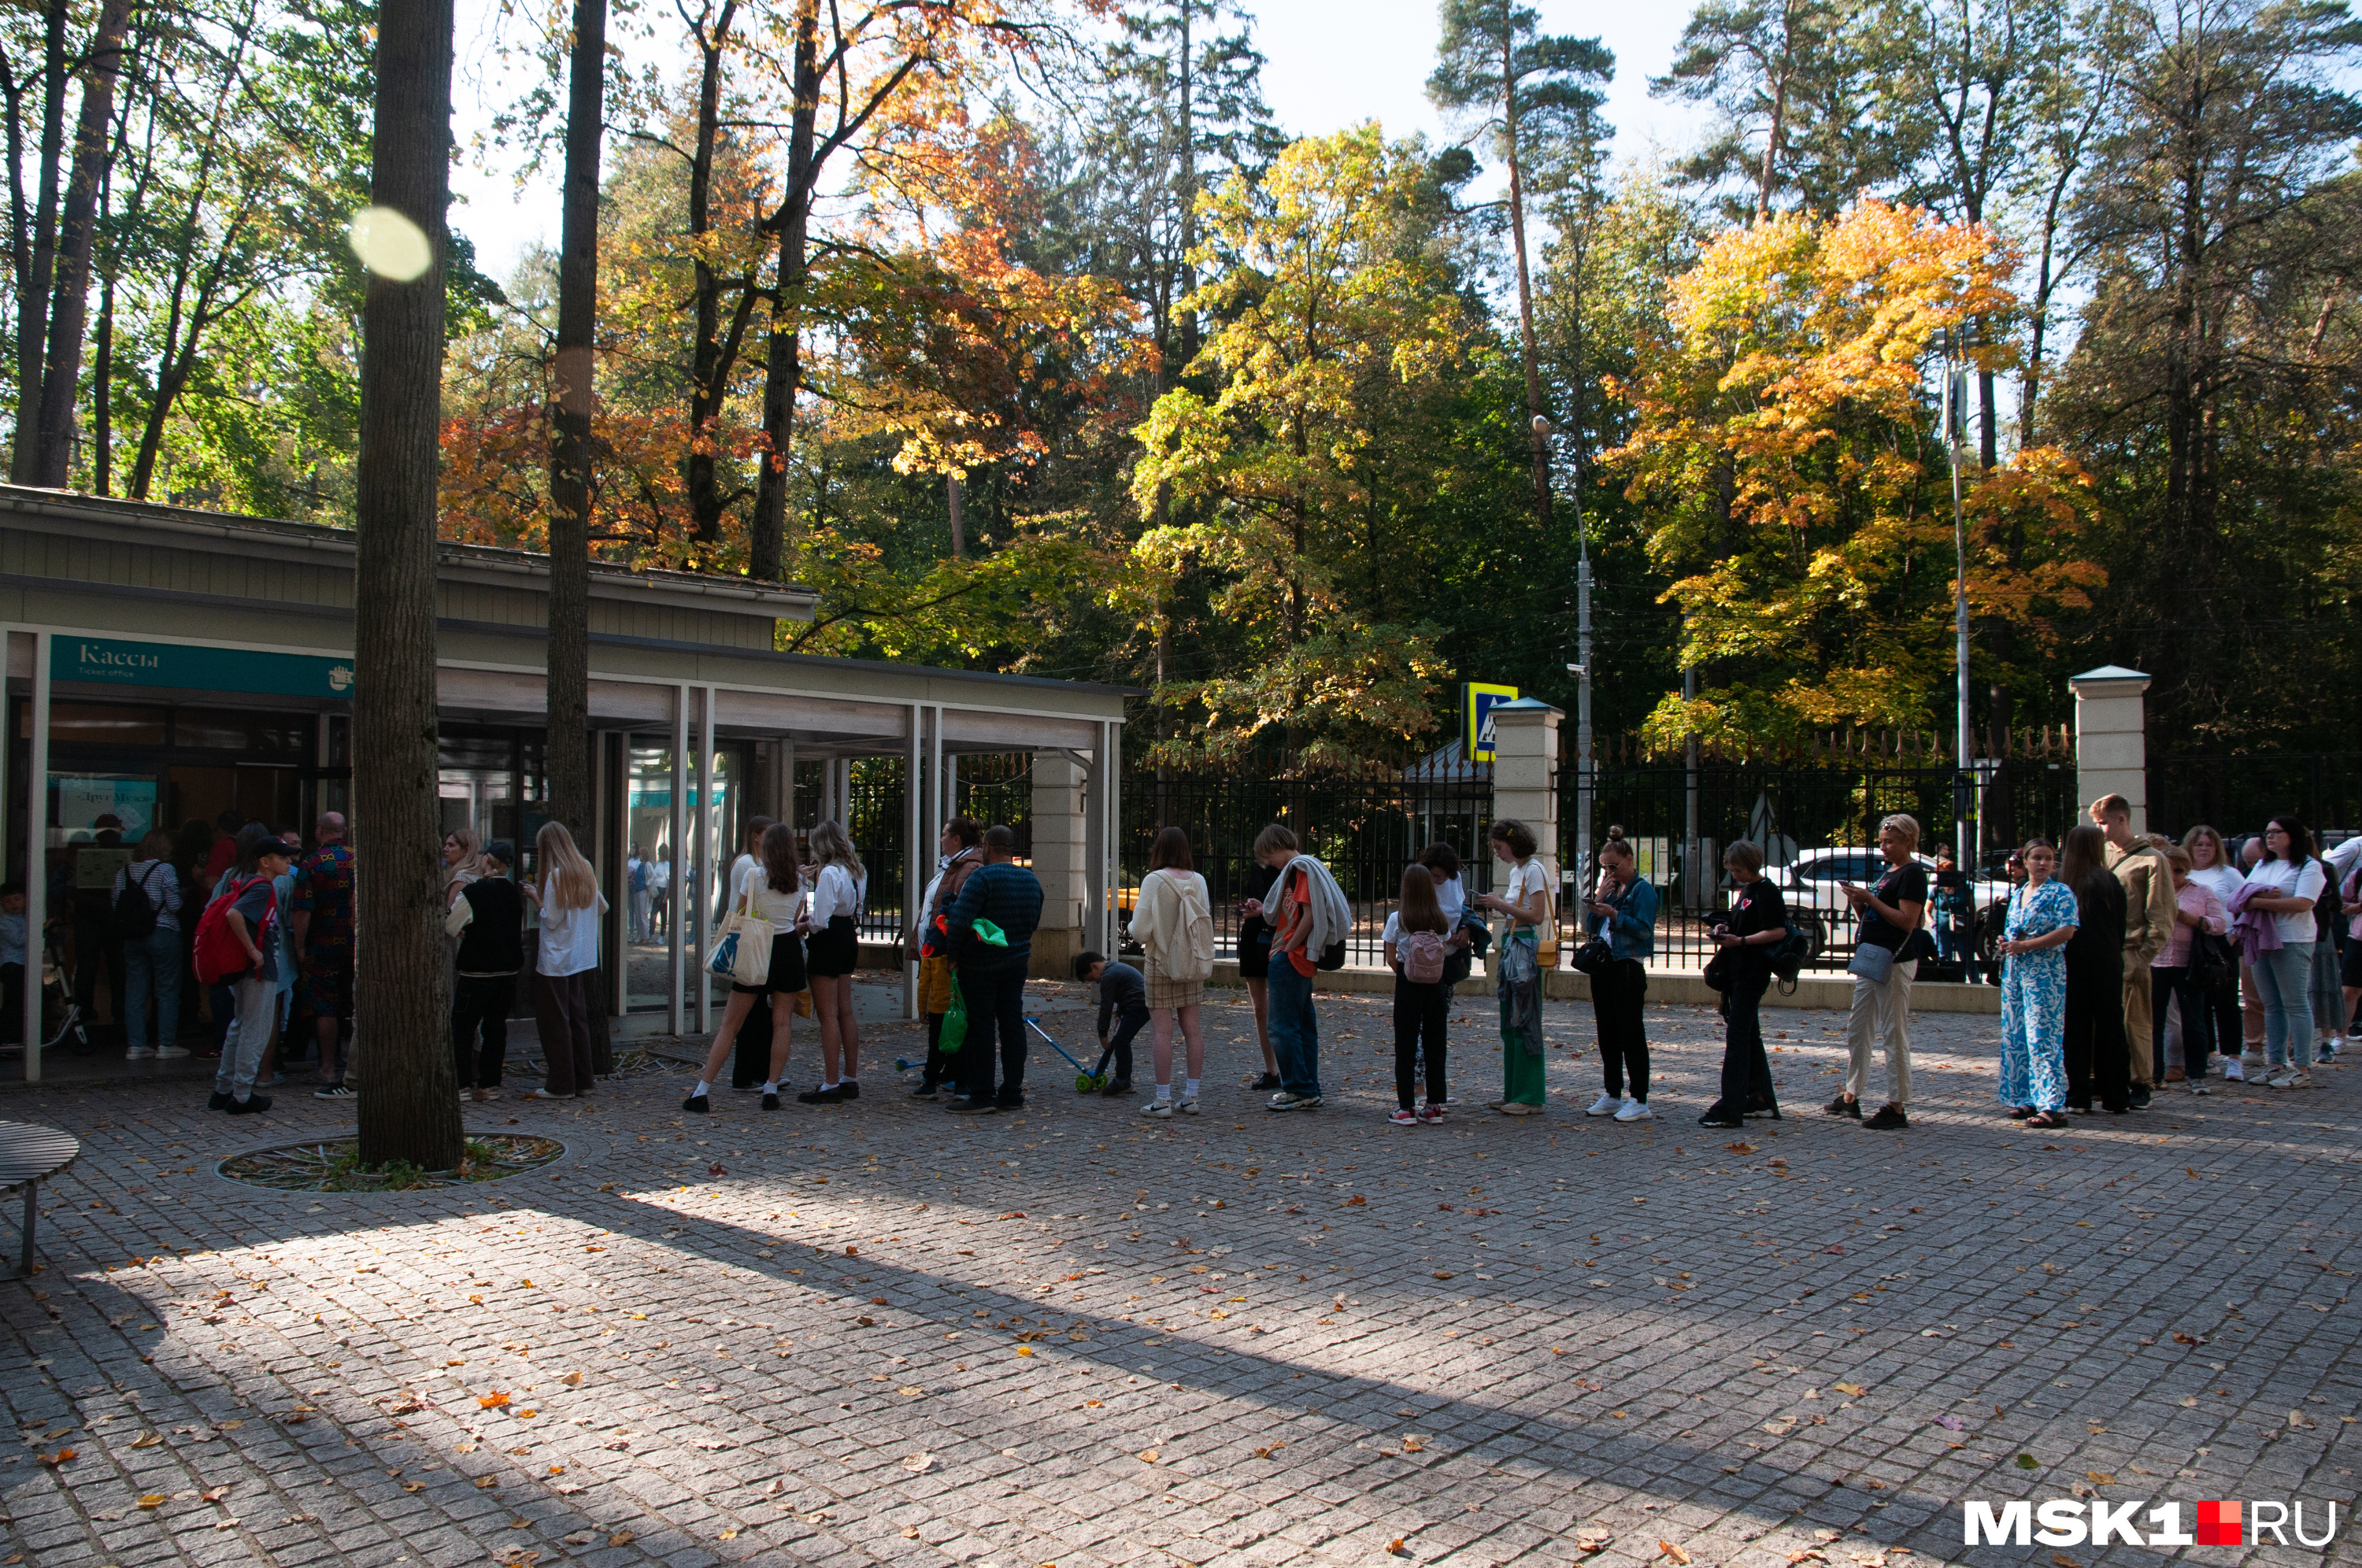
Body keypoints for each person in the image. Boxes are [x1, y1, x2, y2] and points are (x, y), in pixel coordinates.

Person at [683, 823, 807, 1114]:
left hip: (756, 948)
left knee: (730, 1023)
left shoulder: (753, 876)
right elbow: (796, 916)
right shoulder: (799, 882)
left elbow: (740, 912)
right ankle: (771, 1089)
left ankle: (702, 1091)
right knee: (782, 1024)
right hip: (787, 949)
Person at [1831, 813, 1926, 1130]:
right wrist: (1861, 901)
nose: (1883, 847)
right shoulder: (1889, 872)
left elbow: (1907, 921)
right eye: (1882, 841)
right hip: (1872, 958)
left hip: (1895, 961)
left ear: (1908, 841)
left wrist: (1870, 898)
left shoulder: (1912, 874)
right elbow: (1875, 915)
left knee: (1893, 1031)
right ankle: (1851, 1096)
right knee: (1859, 1028)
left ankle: (1897, 1106)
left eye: (1890, 842)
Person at [1246, 823, 1348, 1112]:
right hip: (1297, 958)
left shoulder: (1300, 868)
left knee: (1281, 1027)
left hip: (1291, 957)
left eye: (1269, 858)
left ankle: (1299, 1088)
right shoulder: (1305, 868)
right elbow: (1295, 911)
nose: (1270, 865)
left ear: (1274, 847)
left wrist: (1288, 948)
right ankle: (1307, 1087)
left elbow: (1311, 915)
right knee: (1302, 1026)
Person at [945, 824, 1044, 1114]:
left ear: (987, 846)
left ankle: (982, 1093)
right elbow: (1034, 920)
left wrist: (952, 956)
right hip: (1017, 962)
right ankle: (1012, 1092)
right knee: (1012, 1024)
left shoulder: (982, 877)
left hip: (980, 965)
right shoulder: (1030, 880)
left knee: (982, 1027)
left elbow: (960, 920)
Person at [2090, 794, 2175, 1108]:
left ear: (2122, 819)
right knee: (2099, 1021)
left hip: (2130, 950)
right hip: (2101, 950)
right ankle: (2101, 1077)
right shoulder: (2100, 856)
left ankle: (2140, 1082)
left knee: (2134, 1021)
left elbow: (2162, 913)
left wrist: (2144, 956)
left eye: (2103, 823)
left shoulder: (2152, 860)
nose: (2099, 829)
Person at [206, 825, 296, 1115]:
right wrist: (253, 950)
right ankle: (242, 1095)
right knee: (254, 1030)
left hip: (245, 969)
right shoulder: (261, 886)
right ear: (265, 861)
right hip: (259, 968)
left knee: (240, 1025)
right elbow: (235, 914)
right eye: (282, 857)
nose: (289, 862)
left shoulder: (244, 881)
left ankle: (223, 1089)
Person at [1701, 839, 1788, 1128]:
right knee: (1749, 1036)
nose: (1734, 874)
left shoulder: (1768, 892)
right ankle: (1760, 1097)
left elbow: (1777, 931)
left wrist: (1742, 941)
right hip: (1738, 970)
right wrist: (1727, 928)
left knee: (1737, 1038)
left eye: (1737, 869)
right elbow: (1744, 921)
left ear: (1750, 866)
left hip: (1752, 972)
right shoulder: (1748, 891)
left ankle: (1731, 1107)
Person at [1132, 826, 1214, 1118]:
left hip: (1161, 963)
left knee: (1162, 1032)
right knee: (1193, 1030)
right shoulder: (1200, 881)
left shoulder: (1154, 880)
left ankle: (1162, 1100)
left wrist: (1132, 928)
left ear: (1158, 849)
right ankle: (1191, 1097)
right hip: (1191, 963)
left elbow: (1141, 932)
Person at [1997, 838, 2078, 1128]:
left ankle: (2052, 1104)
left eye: (2049, 858)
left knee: (2043, 1036)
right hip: (2016, 973)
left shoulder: (2061, 893)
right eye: (2037, 858)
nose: (2043, 863)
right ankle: (2025, 1098)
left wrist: (2027, 946)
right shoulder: (2019, 893)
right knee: (2016, 1036)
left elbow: (2067, 931)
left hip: (2045, 974)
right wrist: (2007, 943)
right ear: (2026, 862)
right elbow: (2013, 930)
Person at [1473, 817, 1551, 1116]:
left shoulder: (1533, 870)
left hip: (1522, 946)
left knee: (1524, 1019)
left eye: (1498, 846)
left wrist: (1500, 905)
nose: (1496, 852)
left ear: (1512, 842)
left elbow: (1537, 915)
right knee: (1511, 1021)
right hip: (1512, 945)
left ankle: (1530, 1096)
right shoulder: (1520, 870)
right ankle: (1515, 1092)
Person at [524, 820, 607, 1100]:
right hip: (580, 956)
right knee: (577, 1018)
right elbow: (602, 906)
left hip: (556, 958)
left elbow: (551, 918)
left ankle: (560, 1084)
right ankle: (583, 1080)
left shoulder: (556, 876)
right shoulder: (585, 868)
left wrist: (537, 900)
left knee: (554, 1021)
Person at [2239, 815, 2323, 1089]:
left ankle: (2301, 1067)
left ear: (2293, 835)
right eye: (2267, 833)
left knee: (2295, 1003)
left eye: (2276, 832)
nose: (2269, 837)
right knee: (2272, 1005)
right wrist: (2257, 901)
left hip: (2293, 940)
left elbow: (2302, 903)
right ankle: (2275, 1064)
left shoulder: (2309, 867)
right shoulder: (2264, 865)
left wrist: (2257, 902)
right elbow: (2243, 894)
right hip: (2263, 940)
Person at [1583, 834, 1658, 1122]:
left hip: (1626, 965)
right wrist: (1599, 899)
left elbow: (1644, 930)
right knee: (1607, 1033)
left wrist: (1615, 914)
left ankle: (1639, 1098)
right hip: (1604, 966)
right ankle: (1612, 1093)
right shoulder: (1612, 890)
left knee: (1631, 1034)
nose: (1609, 873)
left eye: (1613, 866)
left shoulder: (1642, 891)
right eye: (1605, 868)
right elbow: (1591, 926)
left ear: (1629, 860)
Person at [911, 819, 985, 1098]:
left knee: (944, 1015)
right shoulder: (952, 865)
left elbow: (957, 913)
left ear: (955, 839)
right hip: (938, 950)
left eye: (944, 835)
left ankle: (940, 1077)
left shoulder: (969, 868)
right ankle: (947, 1073)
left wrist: (950, 950)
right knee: (942, 1014)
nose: (940, 839)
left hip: (947, 955)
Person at [449, 839, 527, 1101]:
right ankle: (489, 1084)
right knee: (495, 1028)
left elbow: (450, 925)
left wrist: (463, 934)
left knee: (462, 1028)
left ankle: (461, 1085)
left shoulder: (472, 893)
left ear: (488, 860)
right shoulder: (513, 894)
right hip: (506, 973)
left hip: (475, 973)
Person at [2060, 823, 2129, 1115]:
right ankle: (2115, 1096)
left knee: (2075, 1028)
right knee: (2110, 1027)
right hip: (2106, 962)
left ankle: (2078, 1095)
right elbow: (2121, 926)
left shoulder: (2063, 882)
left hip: (2071, 963)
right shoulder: (2108, 880)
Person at [798, 819, 867, 1104]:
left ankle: (830, 1082)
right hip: (848, 935)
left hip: (828, 940)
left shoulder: (829, 873)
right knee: (845, 1010)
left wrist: (803, 926)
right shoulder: (857, 870)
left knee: (827, 1014)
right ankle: (850, 1077)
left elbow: (820, 920)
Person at [291, 812, 357, 1098]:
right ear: (343, 831)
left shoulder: (312, 863)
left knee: (324, 1003)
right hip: (356, 943)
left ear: (319, 830)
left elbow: (302, 908)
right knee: (354, 1001)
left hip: (324, 942)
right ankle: (354, 1064)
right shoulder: (359, 859)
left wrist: (300, 945)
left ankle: (328, 1066)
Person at [2152, 845, 2228, 1090]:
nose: (2173, 875)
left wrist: (2194, 921)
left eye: (2179, 870)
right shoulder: (2151, 890)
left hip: (2189, 964)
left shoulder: (2202, 892)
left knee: (2194, 1019)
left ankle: (2197, 1073)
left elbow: (2220, 924)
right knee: (2154, 1020)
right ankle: (2153, 1075)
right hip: (2156, 961)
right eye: (2168, 869)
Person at [1383, 862, 1452, 1125]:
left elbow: (1391, 957)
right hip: (1436, 985)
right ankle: (1434, 1106)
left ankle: (1406, 1107)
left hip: (1408, 982)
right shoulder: (1441, 919)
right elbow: (1442, 948)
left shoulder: (1398, 919)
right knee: (1435, 1043)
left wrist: (1406, 971)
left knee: (1406, 1044)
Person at [2179, 826, 2248, 1081]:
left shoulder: (2228, 874)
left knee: (2227, 1002)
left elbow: (2245, 906)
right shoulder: (2182, 873)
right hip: (2193, 944)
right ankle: (2207, 1056)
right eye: (2199, 845)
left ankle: (2234, 1058)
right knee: (2200, 1003)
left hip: (2222, 942)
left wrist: (2233, 936)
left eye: (2209, 844)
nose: (2204, 849)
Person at [116, 829, 186, 1061]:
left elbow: (117, 903)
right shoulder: (165, 870)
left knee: (135, 991)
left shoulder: (123, 872)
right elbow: (174, 906)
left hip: (132, 936)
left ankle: (136, 1045)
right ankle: (165, 1044)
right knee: (167, 990)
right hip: (163, 932)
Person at [724, 818, 779, 1093]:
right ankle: (749, 1074)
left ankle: (759, 1072)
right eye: (767, 834)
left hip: (756, 939)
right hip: (750, 940)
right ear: (756, 836)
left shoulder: (752, 864)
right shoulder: (748, 865)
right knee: (751, 1013)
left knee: (758, 1012)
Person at [71, 812, 129, 1046]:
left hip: (87, 917)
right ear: (119, 829)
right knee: (118, 966)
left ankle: (84, 1012)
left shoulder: (84, 854)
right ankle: (120, 1011)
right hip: (115, 917)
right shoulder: (126, 854)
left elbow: (71, 888)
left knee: (87, 966)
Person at [1235, 852, 1283, 1092]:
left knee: (1270, 1007)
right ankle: (1274, 1069)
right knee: (1263, 1008)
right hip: (1263, 938)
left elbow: (1270, 905)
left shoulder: (1293, 868)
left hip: (1274, 937)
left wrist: (1261, 909)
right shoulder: (1262, 867)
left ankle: (1279, 1068)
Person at [1075, 949, 1146, 1096]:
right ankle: (1124, 1080)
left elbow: (1106, 1007)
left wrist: (1102, 1035)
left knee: (1121, 1041)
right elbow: (1124, 992)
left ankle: (1123, 1081)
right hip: (1137, 1004)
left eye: (1091, 978)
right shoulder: (1115, 967)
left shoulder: (1108, 976)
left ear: (1094, 966)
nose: (1095, 981)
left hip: (1138, 1005)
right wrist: (1120, 1013)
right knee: (1122, 1040)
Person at [1932, 842, 1971, 970]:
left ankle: (1974, 981)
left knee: (1967, 958)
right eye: (1941, 874)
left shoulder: (1963, 888)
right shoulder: (1937, 890)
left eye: (1945, 873)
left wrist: (1970, 922)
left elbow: (1972, 907)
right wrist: (1933, 923)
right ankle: (1946, 979)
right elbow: (1927, 910)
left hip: (1961, 928)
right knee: (1945, 959)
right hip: (1942, 929)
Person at [0, 883, 25, 1048]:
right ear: (2, 904)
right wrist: (39, 929)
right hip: (12, 965)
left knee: (20, 1002)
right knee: (13, 1003)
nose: (14, 904)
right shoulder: (5, 922)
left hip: (23, 964)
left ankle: (17, 1037)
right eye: (8, 901)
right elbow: (18, 941)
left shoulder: (25, 918)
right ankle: (6, 1039)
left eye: (17, 899)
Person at [441, 827, 487, 911]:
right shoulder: (476, 875)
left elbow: (451, 915)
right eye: (446, 845)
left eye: (451, 845)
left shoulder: (462, 877)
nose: (445, 849)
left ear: (466, 850)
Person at [627, 844, 649, 944]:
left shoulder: (643, 864)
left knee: (640, 913)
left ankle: (643, 935)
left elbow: (650, 875)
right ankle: (635, 934)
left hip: (641, 889)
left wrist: (646, 884)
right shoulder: (631, 862)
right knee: (634, 912)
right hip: (632, 889)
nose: (632, 849)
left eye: (633, 847)